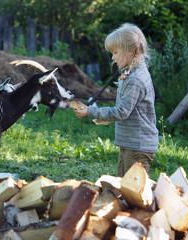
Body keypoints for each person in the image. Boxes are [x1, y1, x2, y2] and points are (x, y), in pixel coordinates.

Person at [72, 23, 158, 177]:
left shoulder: (136, 79)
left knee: (132, 190)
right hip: (131, 143)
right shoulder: (132, 73)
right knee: (122, 184)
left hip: (138, 146)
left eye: (115, 52)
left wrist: (91, 112)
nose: (113, 57)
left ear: (130, 51)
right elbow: (129, 109)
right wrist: (106, 118)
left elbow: (122, 112)